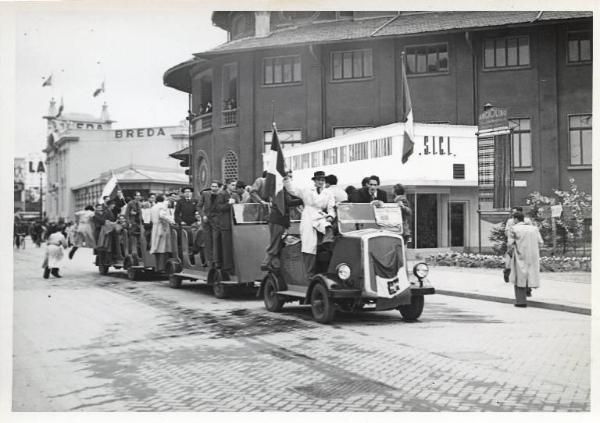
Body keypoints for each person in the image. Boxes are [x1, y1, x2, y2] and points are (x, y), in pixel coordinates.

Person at [284, 170, 336, 277]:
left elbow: (331, 208)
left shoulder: (329, 193)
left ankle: (327, 245)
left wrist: (331, 216)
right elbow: (292, 190)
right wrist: (286, 179)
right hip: (308, 216)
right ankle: (310, 274)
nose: (321, 182)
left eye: (322, 180)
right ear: (315, 181)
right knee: (309, 246)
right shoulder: (306, 190)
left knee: (328, 228)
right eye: (318, 180)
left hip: (320, 215)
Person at [261, 176, 304, 271]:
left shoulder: (281, 190)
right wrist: (303, 199)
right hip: (278, 220)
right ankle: (266, 263)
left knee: (278, 242)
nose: (289, 181)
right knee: (275, 242)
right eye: (287, 179)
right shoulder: (280, 191)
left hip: (278, 220)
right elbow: (288, 202)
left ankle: (274, 264)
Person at [507, 211, 544, 307]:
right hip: (533, 255)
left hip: (520, 254)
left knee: (519, 277)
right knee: (530, 274)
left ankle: (521, 301)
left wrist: (510, 255)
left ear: (515, 219)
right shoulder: (534, 229)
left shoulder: (513, 229)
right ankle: (528, 291)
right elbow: (540, 242)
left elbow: (510, 244)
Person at [213, 179, 238, 273]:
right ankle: (227, 267)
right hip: (225, 223)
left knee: (234, 246)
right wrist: (229, 204)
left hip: (235, 223)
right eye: (232, 185)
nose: (234, 186)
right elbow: (219, 208)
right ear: (227, 185)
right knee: (226, 246)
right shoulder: (222, 194)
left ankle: (234, 265)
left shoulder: (235, 195)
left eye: (235, 185)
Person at [503, 206, 533, 282]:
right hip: (512, 243)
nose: (513, 213)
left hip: (524, 244)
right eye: (512, 212)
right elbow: (506, 231)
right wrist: (510, 239)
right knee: (509, 258)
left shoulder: (527, 221)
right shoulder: (510, 221)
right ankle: (507, 270)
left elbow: (531, 231)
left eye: (514, 212)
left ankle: (521, 278)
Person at [149, 195, 176, 272]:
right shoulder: (162, 206)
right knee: (163, 248)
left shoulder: (153, 207)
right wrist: (172, 221)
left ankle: (158, 266)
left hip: (155, 227)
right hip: (162, 228)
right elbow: (162, 215)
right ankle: (162, 267)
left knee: (156, 247)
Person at [198, 182, 221, 267]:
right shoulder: (205, 194)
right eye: (212, 186)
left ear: (219, 188)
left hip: (216, 221)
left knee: (216, 240)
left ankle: (216, 261)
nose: (213, 188)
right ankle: (209, 262)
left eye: (215, 186)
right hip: (206, 220)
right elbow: (199, 206)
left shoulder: (221, 195)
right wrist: (203, 215)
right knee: (207, 241)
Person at [174, 186, 199, 264]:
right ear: (184, 193)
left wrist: (197, 219)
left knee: (195, 239)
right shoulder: (180, 202)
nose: (187, 193)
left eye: (189, 192)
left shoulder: (195, 201)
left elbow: (198, 211)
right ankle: (183, 258)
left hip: (193, 224)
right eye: (186, 192)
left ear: (191, 193)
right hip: (184, 224)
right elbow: (176, 213)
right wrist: (180, 221)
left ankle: (194, 256)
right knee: (184, 240)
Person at [125, 191, 143, 258]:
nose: (139, 197)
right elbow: (126, 214)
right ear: (134, 196)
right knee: (132, 239)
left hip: (139, 223)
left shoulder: (140, 203)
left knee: (139, 240)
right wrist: (129, 222)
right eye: (137, 195)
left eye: (139, 195)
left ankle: (139, 254)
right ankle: (132, 253)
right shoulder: (130, 203)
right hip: (132, 223)